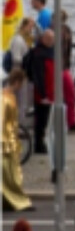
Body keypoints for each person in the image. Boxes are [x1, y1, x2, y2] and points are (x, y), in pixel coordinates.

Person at [2, 71, 30, 213]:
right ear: (17, 82)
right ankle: (15, 199)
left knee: (10, 173)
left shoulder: (8, 96)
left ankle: (9, 199)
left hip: (10, 140)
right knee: (11, 173)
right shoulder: (6, 98)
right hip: (7, 142)